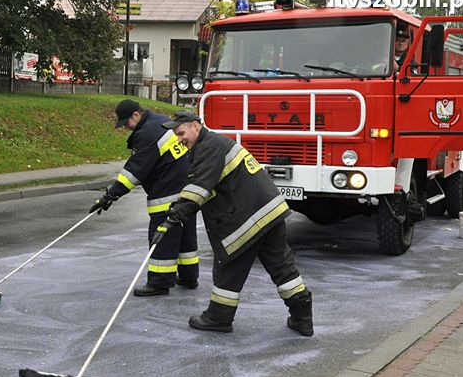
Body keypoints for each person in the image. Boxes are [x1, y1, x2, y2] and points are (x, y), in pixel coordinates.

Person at [151, 110, 313, 336]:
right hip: (269, 212)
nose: (179, 139)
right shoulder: (215, 143)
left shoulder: (209, 147)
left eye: (181, 133)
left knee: (228, 266)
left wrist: (173, 218)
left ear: (196, 126)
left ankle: (218, 318)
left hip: (246, 217)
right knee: (281, 266)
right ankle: (302, 316)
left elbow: (198, 189)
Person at [90, 99, 199, 296]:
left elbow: (135, 171)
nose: (126, 128)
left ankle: (159, 282)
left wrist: (109, 196)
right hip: (187, 187)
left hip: (167, 192)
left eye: (127, 123)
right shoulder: (161, 120)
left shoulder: (147, 133)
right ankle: (189, 276)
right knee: (185, 233)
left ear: (136, 115)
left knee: (162, 235)